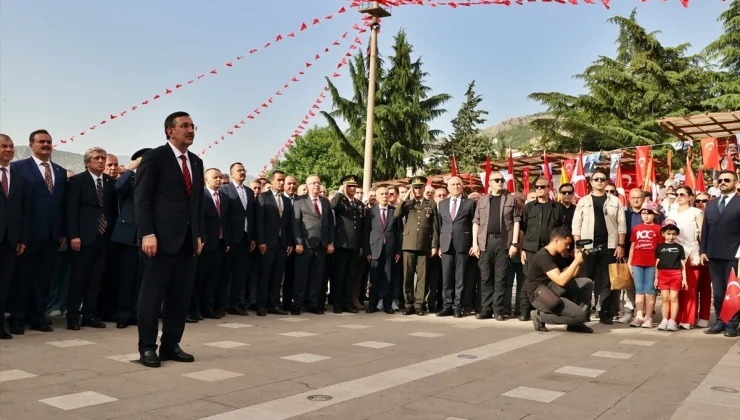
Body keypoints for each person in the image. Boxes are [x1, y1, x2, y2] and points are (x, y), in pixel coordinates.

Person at [134, 111, 205, 368]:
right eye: (184, 126)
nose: (190, 130)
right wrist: (147, 233)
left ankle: (171, 344)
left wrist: (199, 235)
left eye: (192, 126)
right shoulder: (155, 157)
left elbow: (197, 204)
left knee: (180, 296)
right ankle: (147, 347)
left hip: (187, 241)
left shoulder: (196, 162)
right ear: (170, 131)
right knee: (152, 296)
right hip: (159, 240)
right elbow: (142, 199)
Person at [9, 129, 67, 335]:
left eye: (49, 142)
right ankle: (17, 318)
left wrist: (62, 231)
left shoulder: (60, 171)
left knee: (44, 280)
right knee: (22, 278)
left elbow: (62, 204)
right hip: (27, 235)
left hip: (52, 236)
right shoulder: (17, 168)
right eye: (41, 141)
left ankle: (37, 317)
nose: (45, 145)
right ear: (31, 145)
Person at [65, 146, 118, 330]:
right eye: (97, 158)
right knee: (78, 278)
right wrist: (73, 235)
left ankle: (89, 315)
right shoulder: (77, 181)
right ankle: (73, 316)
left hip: (103, 237)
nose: (101, 161)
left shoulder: (110, 182)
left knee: (96, 278)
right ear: (87, 162)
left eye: (103, 158)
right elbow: (71, 209)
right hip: (82, 237)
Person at [572, 167, 626, 324]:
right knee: (586, 280)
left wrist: (621, 245)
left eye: (603, 179)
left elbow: (622, 225)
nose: (600, 182)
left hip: (609, 245)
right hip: (587, 246)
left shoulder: (615, 201)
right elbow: (576, 225)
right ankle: (584, 312)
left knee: (606, 281)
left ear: (607, 182)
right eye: (596, 179)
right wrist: (578, 246)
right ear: (591, 182)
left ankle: (605, 312)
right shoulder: (583, 201)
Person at [523, 227, 593, 333]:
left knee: (587, 283)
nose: (568, 247)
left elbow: (571, 274)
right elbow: (561, 280)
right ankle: (539, 316)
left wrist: (579, 261)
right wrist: (576, 262)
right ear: (556, 241)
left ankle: (575, 324)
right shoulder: (543, 256)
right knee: (581, 316)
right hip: (540, 295)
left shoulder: (557, 254)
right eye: (566, 243)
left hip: (553, 288)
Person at [110, 148, 150, 329]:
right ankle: (123, 315)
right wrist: (130, 169)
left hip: (148, 236)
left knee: (143, 279)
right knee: (126, 278)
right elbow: (118, 188)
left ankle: (137, 313)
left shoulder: (156, 181)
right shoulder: (129, 179)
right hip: (128, 236)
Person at [472, 171, 520, 321]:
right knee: (485, 278)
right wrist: (475, 243)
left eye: (502, 180)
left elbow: (516, 221)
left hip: (503, 243)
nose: (500, 182)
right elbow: (476, 222)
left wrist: (514, 243)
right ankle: (486, 309)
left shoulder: (511, 199)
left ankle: (498, 310)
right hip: (485, 242)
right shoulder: (483, 200)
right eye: (497, 180)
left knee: (501, 278)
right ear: (490, 182)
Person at [189, 168, 232, 322]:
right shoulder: (201, 195)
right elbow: (198, 219)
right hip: (205, 243)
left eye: (220, 177)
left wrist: (227, 240)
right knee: (200, 278)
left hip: (220, 243)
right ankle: (195, 309)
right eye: (215, 177)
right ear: (206, 179)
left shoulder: (224, 197)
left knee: (214, 279)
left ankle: (208, 308)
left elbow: (225, 221)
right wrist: (200, 238)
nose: (219, 180)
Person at [700, 170, 740, 337]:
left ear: (736, 183)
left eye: (727, 180)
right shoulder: (711, 204)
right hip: (713, 254)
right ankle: (720, 321)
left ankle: (732, 324)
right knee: (718, 292)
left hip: (734, 254)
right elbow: (705, 229)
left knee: (733, 290)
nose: (722, 182)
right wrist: (703, 250)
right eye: (720, 180)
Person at [519, 177, 564, 321]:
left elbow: (562, 230)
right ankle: (524, 311)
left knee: (548, 281)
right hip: (530, 249)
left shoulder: (557, 207)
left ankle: (543, 310)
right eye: (536, 187)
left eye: (542, 187)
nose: (539, 189)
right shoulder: (529, 207)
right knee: (528, 279)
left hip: (549, 251)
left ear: (549, 188)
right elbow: (522, 230)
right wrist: (521, 249)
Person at [394, 176, 439, 316]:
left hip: (424, 244)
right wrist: (406, 196)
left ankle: (419, 304)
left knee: (422, 277)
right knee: (407, 276)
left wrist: (434, 245)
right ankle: (408, 304)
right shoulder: (408, 204)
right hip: (408, 243)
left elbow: (435, 226)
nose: (417, 190)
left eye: (420, 187)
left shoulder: (431, 204)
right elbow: (396, 214)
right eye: (415, 188)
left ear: (424, 188)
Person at [0, 134, 30, 339]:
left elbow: (24, 211)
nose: (9, 150)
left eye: (11, 146)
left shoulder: (19, 179)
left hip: (10, 241)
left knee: (4, 286)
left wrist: (22, 239)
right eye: (4, 146)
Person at [292, 174, 334, 315]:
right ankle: (298, 304)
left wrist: (330, 242)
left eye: (318, 182)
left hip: (322, 245)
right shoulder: (299, 200)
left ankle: (313, 304)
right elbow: (296, 223)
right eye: (313, 183)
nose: (316, 185)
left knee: (317, 277)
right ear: (307, 186)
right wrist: (298, 242)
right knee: (301, 276)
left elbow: (330, 224)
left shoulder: (325, 202)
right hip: (305, 244)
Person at [219, 162, 256, 316]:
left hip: (245, 239)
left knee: (240, 274)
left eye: (243, 170)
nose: (242, 172)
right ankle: (221, 304)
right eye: (239, 170)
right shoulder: (225, 190)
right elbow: (223, 216)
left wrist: (253, 237)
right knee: (225, 273)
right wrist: (226, 239)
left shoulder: (249, 192)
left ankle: (235, 304)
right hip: (230, 239)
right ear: (231, 173)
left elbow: (251, 215)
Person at [437, 176, 476, 318]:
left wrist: (473, 244)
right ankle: (447, 305)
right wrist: (439, 245)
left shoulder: (470, 203)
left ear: (462, 186)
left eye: (458, 184)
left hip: (463, 244)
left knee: (460, 278)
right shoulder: (442, 203)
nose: (455, 187)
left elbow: (474, 224)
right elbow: (440, 226)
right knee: (446, 277)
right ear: (448, 187)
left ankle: (458, 307)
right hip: (446, 244)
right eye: (452, 184)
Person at [255, 171, 292, 316]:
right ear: (272, 181)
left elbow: (288, 224)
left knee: (278, 275)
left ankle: (274, 304)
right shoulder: (263, 197)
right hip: (267, 243)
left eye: (283, 180)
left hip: (282, 244)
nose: (281, 183)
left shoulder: (286, 200)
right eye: (279, 180)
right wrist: (261, 241)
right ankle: (261, 305)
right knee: (265, 275)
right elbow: (259, 221)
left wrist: (289, 242)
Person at [667, 186, 704, 329]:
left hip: (690, 252)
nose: (678, 196)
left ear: (690, 197)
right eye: (676, 194)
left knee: (690, 287)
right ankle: (674, 318)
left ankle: (688, 319)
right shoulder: (671, 212)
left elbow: (702, 233)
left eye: (682, 194)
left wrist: (702, 252)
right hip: (673, 252)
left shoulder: (696, 212)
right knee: (675, 287)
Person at [330, 175, 365, 314]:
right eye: (349, 186)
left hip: (354, 245)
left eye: (354, 186)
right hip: (342, 244)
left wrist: (361, 245)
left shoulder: (359, 204)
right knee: (340, 275)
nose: (353, 188)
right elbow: (333, 206)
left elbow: (361, 226)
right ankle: (337, 304)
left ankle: (347, 303)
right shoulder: (340, 201)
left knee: (351, 276)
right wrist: (340, 192)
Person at [364, 187, 400, 314]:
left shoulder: (394, 211)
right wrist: (367, 251)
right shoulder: (370, 212)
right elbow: (366, 232)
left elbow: (398, 233)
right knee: (374, 278)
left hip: (390, 249)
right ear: (377, 197)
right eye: (382, 194)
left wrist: (398, 251)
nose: (384, 196)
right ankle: (372, 305)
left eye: (386, 194)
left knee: (388, 278)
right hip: (374, 249)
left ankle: (387, 305)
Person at [626, 202, 661, 328]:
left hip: (652, 263)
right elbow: (633, 246)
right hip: (637, 262)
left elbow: (660, 249)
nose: (646, 216)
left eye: (649, 213)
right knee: (639, 290)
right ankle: (639, 315)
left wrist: (658, 265)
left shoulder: (658, 229)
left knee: (650, 289)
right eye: (643, 213)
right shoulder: (636, 228)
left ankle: (648, 317)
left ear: (654, 215)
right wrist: (630, 262)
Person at [655, 220, 687, 332]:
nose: (671, 236)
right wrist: (656, 278)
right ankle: (664, 320)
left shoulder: (679, 247)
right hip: (663, 275)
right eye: (668, 233)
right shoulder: (659, 247)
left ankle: (672, 321)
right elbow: (657, 263)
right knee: (664, 298)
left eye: (673, 234)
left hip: (676, 275)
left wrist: (685, 279)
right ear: (663, 233)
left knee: (673, 298)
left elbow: (682, 264)